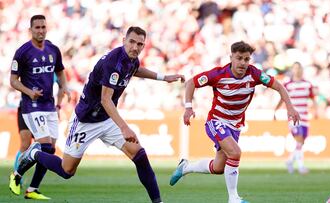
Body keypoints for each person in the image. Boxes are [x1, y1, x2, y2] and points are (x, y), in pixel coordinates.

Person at [16, 26, 185, 203]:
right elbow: (106, 99)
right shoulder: (113, 62)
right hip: (85, 120)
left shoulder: (132, 59)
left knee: (140, 155)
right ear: (123, 40)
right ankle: (35, 154)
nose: (135, 47)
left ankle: (158, 202)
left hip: (106, 118)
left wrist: (163, 77)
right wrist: (124, 127)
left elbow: (135, 70)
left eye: (140, 44)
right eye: (132, 42)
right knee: (67, 171)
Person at [169, 41, 300, 203]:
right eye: (239, 58)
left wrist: (290, 108)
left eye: (246, 59)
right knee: (235, 152)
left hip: (235, 126)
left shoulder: (255, 74)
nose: (243, 63)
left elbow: (279, 86)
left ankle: (186, 167)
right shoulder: (218, 74)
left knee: (218, 168)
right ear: (231, 57)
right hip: (216, 121)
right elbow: (191, 83)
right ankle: (234, 198)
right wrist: (188, 107)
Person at [9, 14, 70, 200]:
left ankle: (32, 189)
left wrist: (64, 86)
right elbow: (13, 81)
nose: (41, 30)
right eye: (37, 28)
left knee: (50, 150)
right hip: (31, 105)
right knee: (43, 146)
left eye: (43, 27)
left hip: (49, 105)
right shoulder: (22, 52)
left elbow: (60, 71)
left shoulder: (53, 49)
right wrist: (29, 91)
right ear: (31, 30)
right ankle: (16, 175)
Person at [274, 62, 317, 174]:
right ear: (292, 70)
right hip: (293, 117)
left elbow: (313, 98)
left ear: (302, 70)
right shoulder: (288, 85)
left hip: (305, 117)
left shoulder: (307, 84)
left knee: (301, 142)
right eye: (295, 68)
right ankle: (301, 166)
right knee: (299, 139)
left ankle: (289, 161)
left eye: (299, 68)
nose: (297, 70)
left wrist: (316, 111)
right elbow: (282, 99)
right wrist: (276, 110)